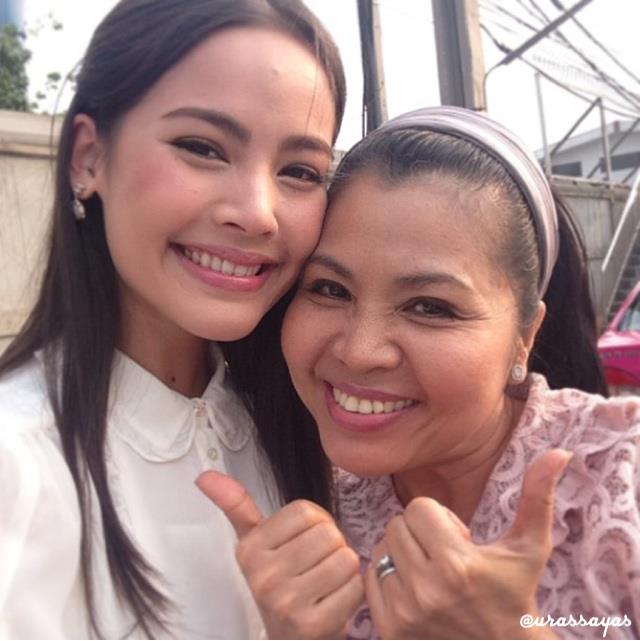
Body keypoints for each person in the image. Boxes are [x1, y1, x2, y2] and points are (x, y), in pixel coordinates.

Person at [198, 107, 640, 640]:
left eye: (430, 307)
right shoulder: (299, 498)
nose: (360, 353)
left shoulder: (622, 474)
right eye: (330, 290)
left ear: (525, 335)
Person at [0, 0, 361, 638]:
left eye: (301, 171)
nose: (258, 212)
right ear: (88, 158)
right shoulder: (17, 465)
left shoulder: (312, 428)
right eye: (202, 148)